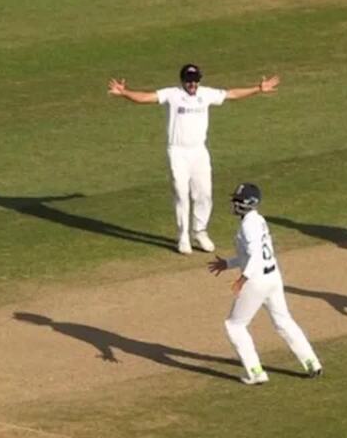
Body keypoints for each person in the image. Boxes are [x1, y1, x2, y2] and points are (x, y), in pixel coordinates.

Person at [107, 63, 281, 255]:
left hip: (199, 151)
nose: (192, 84)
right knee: (181, 194)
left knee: (204, 193)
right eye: (189, 81)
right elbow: (145, 98)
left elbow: (231, 94)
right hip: (178, 152)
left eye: (195, 80)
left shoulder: (205, 94)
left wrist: (258, 88)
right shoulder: (172, 94)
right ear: (183, 81)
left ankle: (200, 231)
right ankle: (183, 236)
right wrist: (125, 93)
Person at [208, 183, 323, 384]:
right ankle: (311, 361)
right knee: (283, 321)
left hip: (256, 281)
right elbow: (253, 254)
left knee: (234, 325)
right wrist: (227, 263)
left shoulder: (247, 226)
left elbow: (254, 257)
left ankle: (255, 372)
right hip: (273, 278)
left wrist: (242, 279)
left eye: (236, 200)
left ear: (246, 203)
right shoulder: (259, 220)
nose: (233, 203)